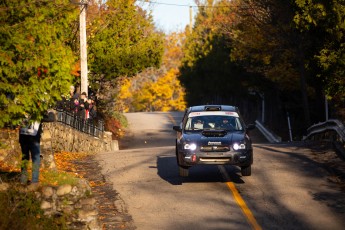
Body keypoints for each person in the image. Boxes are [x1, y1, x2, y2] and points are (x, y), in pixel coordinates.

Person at [19, 111, 55, 190]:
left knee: (25, 158)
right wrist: (50, 112)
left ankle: (23, 180)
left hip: (23, 136)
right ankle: (34, 181)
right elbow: (51, 118)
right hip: (33, 138)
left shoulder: (22, 108)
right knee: (36, 159)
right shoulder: (37, 111)